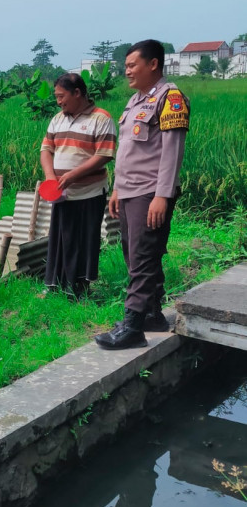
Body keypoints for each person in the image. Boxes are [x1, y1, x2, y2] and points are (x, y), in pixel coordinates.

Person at [95, 40, 190, 350]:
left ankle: (133, 326)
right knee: (135, 254)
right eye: (126, 67)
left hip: (151, 192)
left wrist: (162, 196)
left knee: (143, 258)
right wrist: (118, 189)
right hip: (130, 190)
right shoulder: (136, 100)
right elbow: (130, 151)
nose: (128, 72)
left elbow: (171, 153)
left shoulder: (170, 98)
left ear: (153, 64)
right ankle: (151, 314)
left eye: (133, 65)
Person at [40, 73, 117, 297]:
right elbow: (46, 149)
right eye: (56, 97)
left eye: (61, 96)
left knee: (84, 240)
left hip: (89, 192)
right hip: (61, 193)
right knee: (61, 239)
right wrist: (50, 176)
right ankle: (55, 286)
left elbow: (104, 155)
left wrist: (72, 176)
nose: (58, 101)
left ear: (77, 93)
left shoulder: (101, 118)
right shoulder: (58, 119)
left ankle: (79, 289)